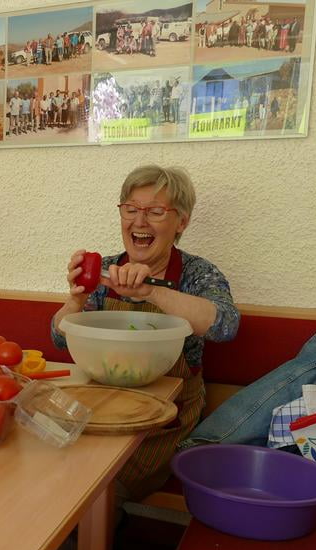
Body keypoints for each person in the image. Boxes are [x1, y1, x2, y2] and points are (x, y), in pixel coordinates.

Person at [50, 165, 239, 501]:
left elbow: (226, 325)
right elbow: (59, 338)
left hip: (160, 425)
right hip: (99, 412)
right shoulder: (106, 269)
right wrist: (76, 298)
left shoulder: (197, 273)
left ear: (181, 222)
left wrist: (151, 291)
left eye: (155, 211)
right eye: (131, 209)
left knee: (94, 492)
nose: (139, 221)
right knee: (48, 475)